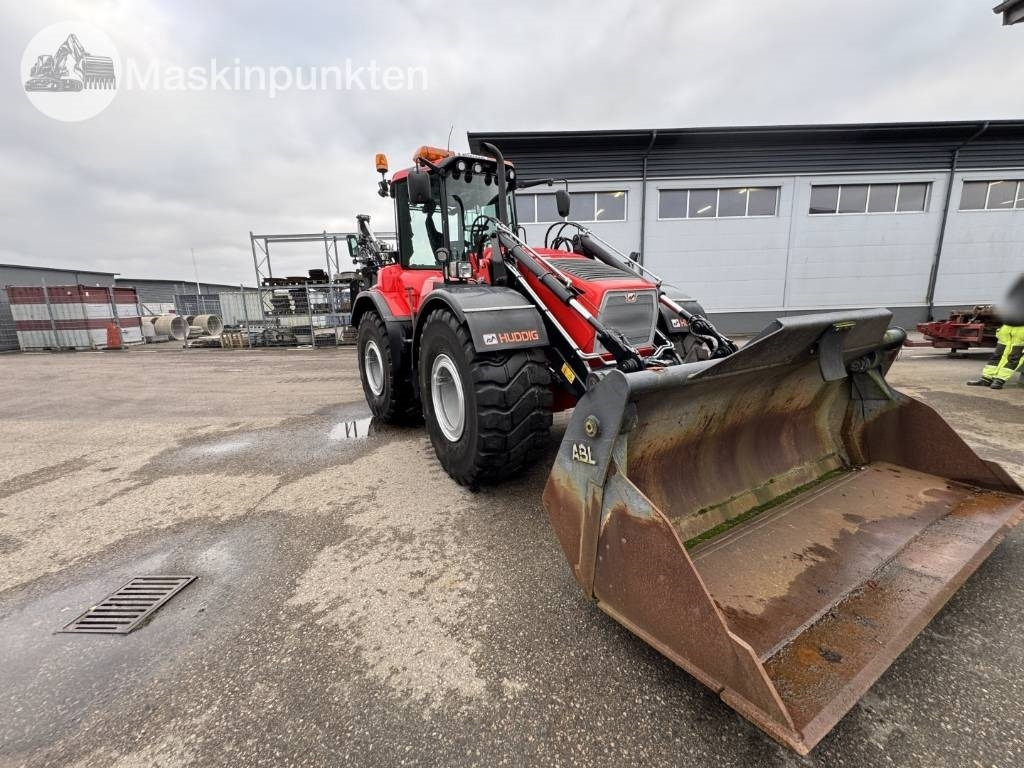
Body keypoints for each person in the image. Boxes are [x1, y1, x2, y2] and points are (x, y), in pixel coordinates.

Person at [966, 323, 1024, 390]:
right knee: (996, 357)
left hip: (1019, 336)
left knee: (1013, 359)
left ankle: (999, 380)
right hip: (1006, 333)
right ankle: (986, 379)